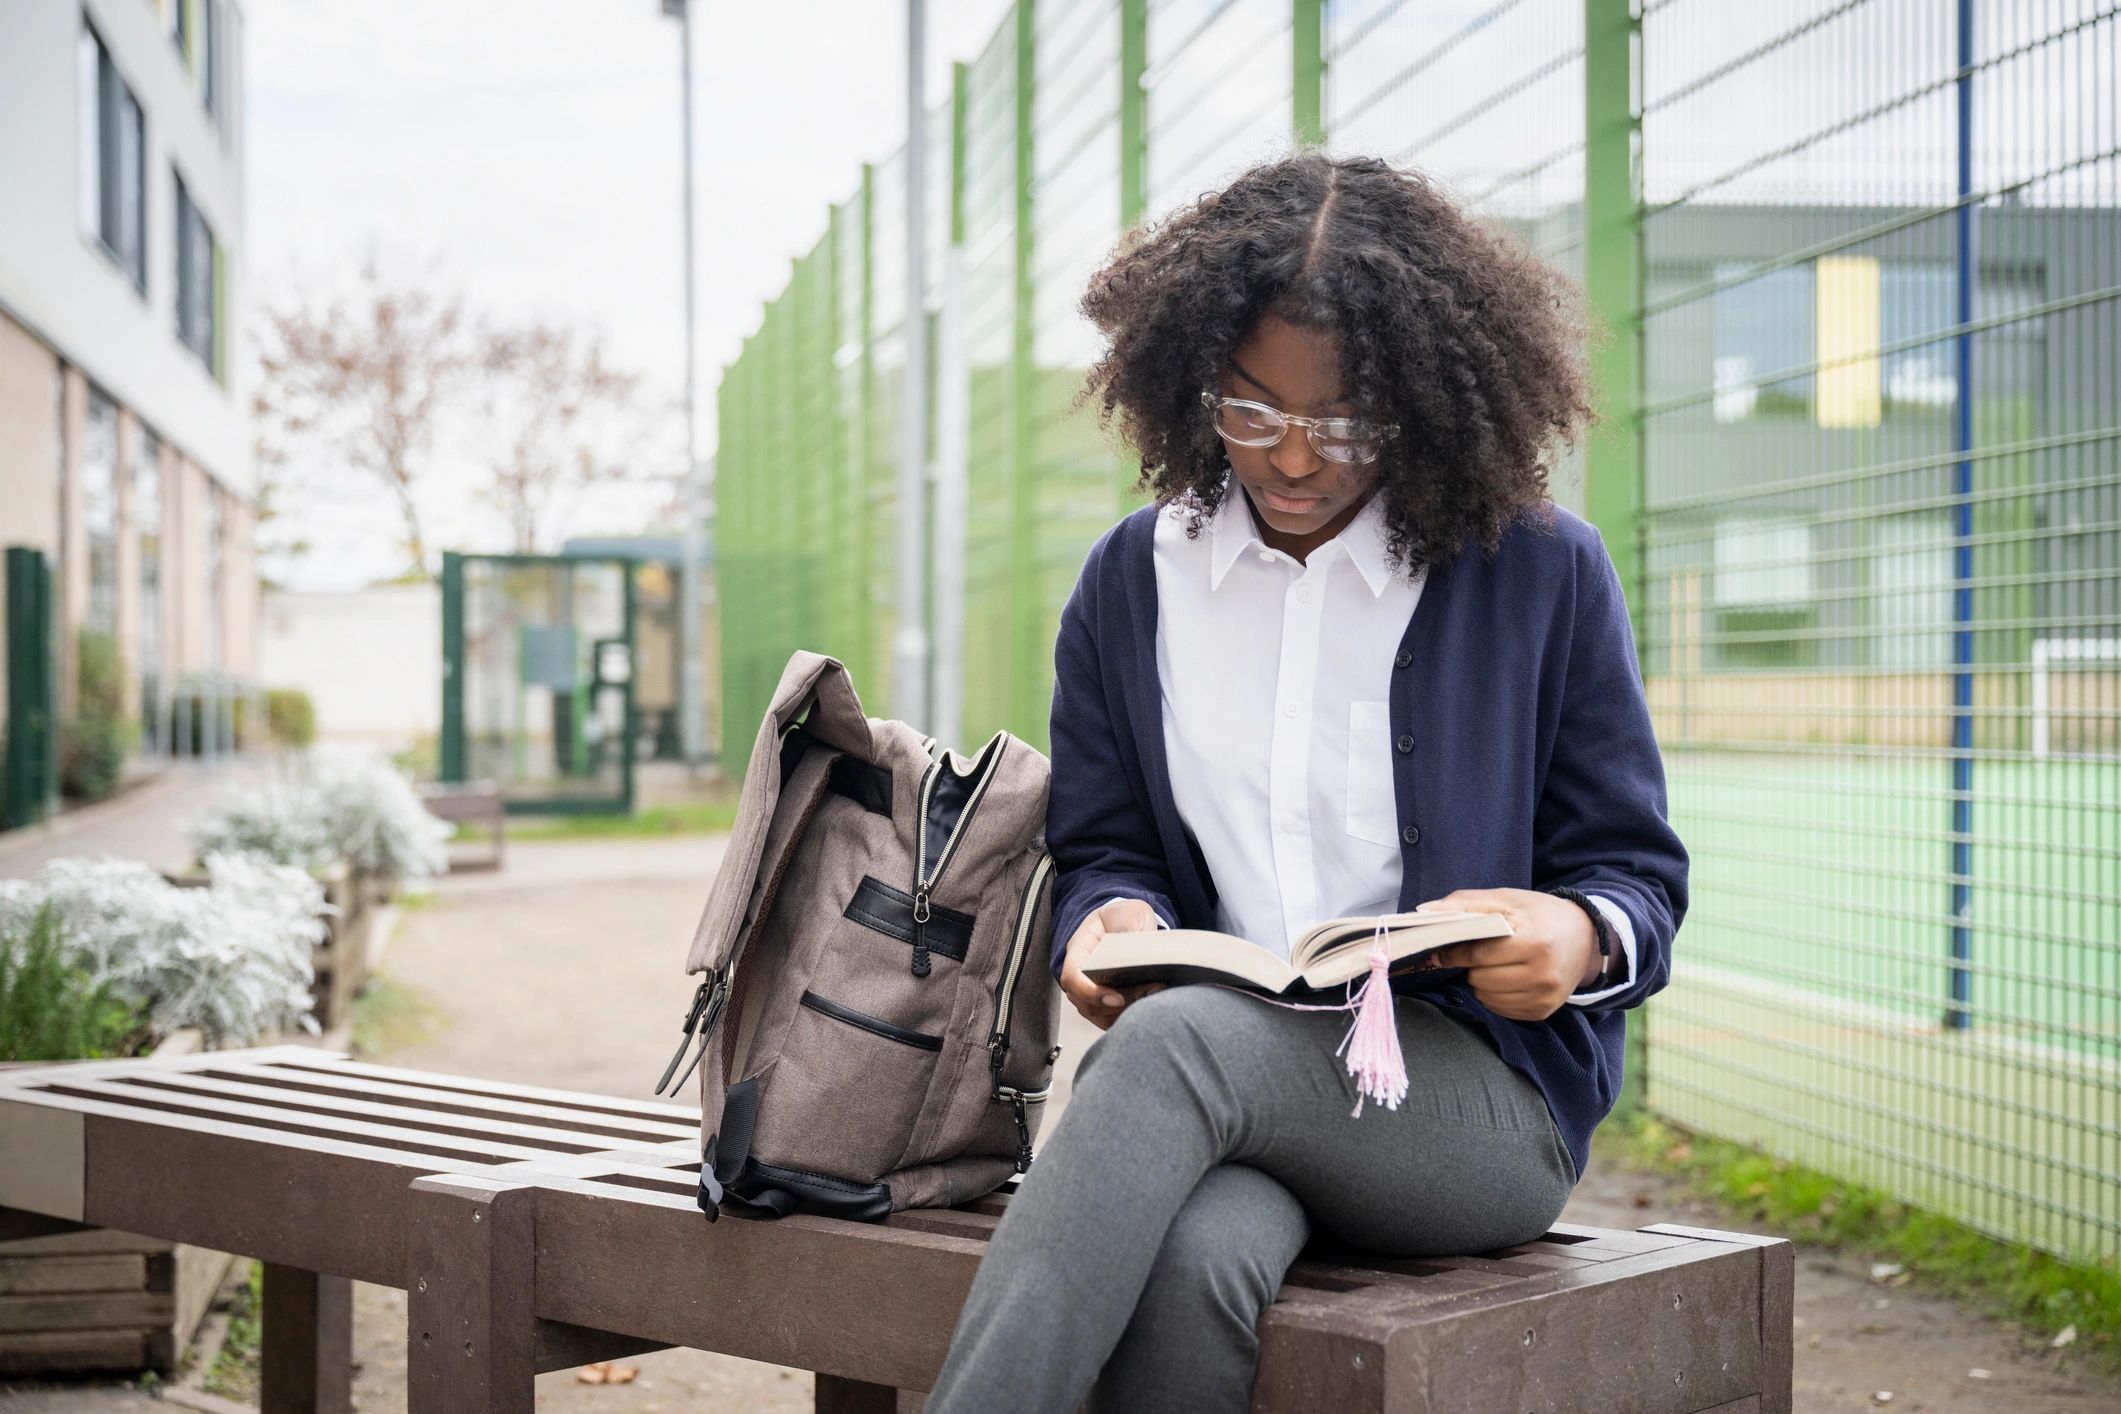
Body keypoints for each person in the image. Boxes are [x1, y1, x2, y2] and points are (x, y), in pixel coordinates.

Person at [923, 150, 1688, 1414]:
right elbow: (1110, 843)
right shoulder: (1133, 583)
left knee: (1175, 1050)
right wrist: (1104, 915)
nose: (1290, 459)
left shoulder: (1540, 572)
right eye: (1252, 411)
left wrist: (1582, 932)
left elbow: (1636, 875)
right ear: (1190, 383)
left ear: (1430, 403)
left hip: (1474, 1106)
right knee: (1195, 1259)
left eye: (1344, 424)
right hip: (1230, 1094)